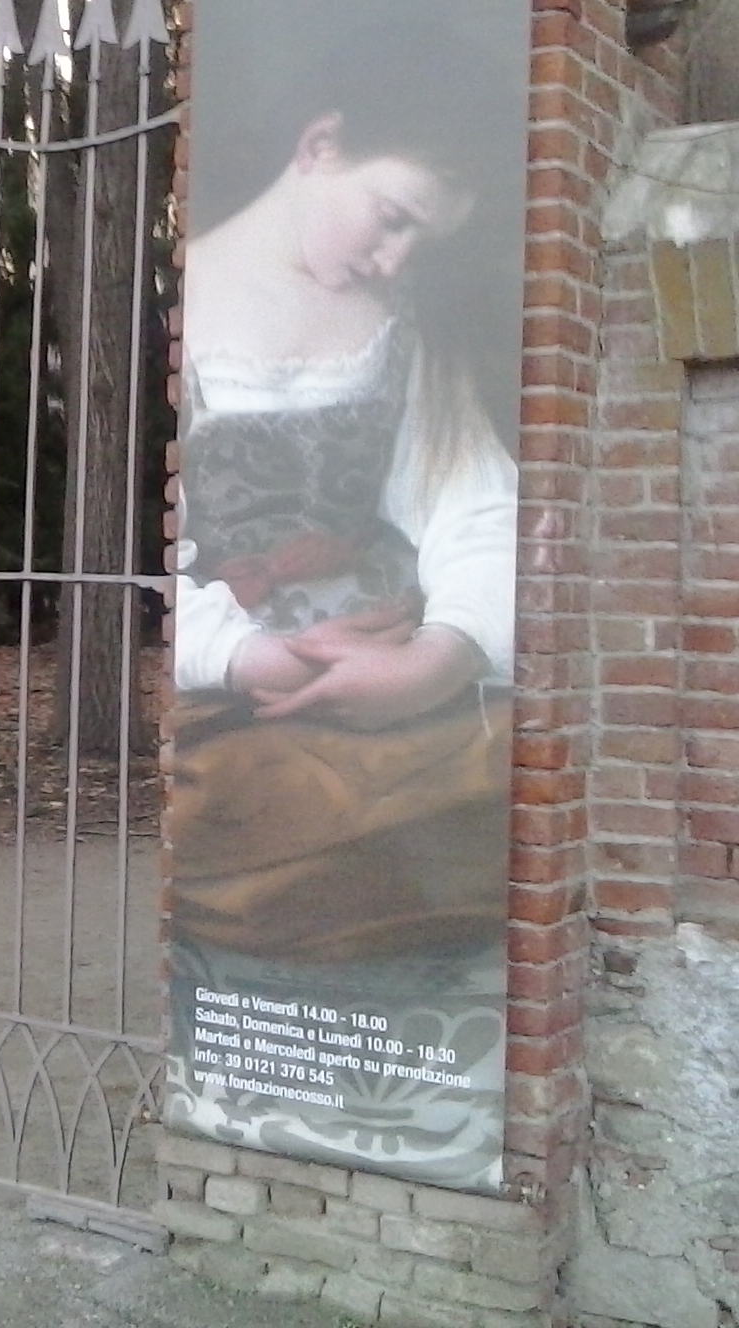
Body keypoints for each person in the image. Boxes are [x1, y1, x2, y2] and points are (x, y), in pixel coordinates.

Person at [170, 76, 518, 964]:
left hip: (409, 684)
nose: (395, 260)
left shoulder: (406, 329)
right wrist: (253, 657)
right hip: (232, 704)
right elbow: (121, 562)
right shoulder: (168, 306)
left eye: (420, 241)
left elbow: (476, 508)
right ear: (320, 145)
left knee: (500, 785)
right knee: (249, 815)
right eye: (391, 218)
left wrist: (437, 660)